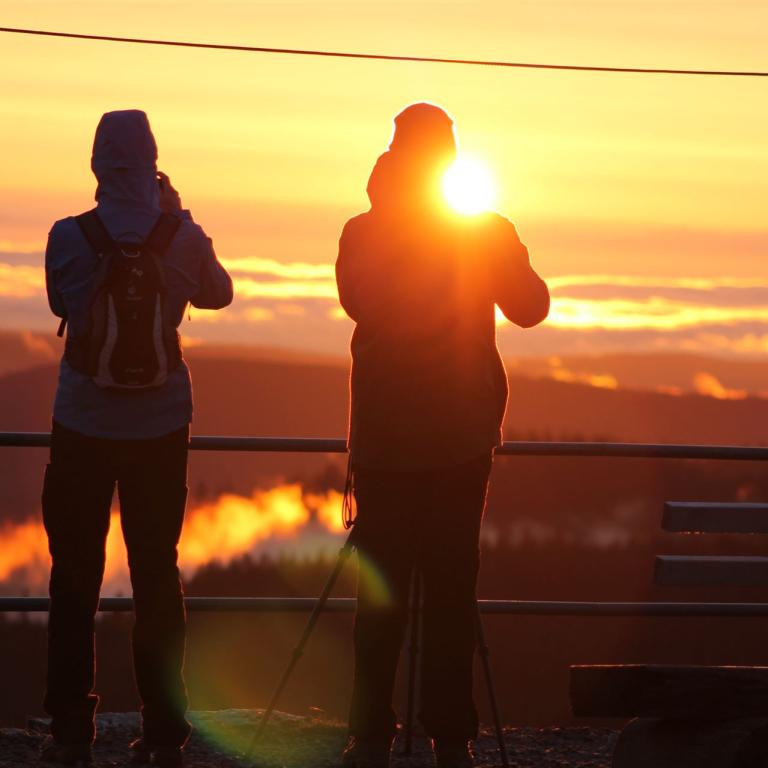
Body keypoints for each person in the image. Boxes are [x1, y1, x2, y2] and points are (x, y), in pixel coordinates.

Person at [336, 102, 549, 768]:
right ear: (450, 160)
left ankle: (369, 736)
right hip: (461, 440)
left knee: (382, 594)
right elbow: (531, 308)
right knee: (453, 591)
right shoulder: (483, 231)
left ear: (395, 157)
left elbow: (355, 304)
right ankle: (451, 740)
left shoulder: (362, 233)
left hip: (384, 441)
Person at [41, 109, 233, 767]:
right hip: (160, 426)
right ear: (152, 161)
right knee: (156, 574)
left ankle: (71, 728)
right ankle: (163, 731)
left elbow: (63, 306)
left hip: (82, 424)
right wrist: (176, 215)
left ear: (97, 162)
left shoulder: (69, 236)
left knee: (74, 575)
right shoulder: (181, 235)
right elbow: (220, 294)